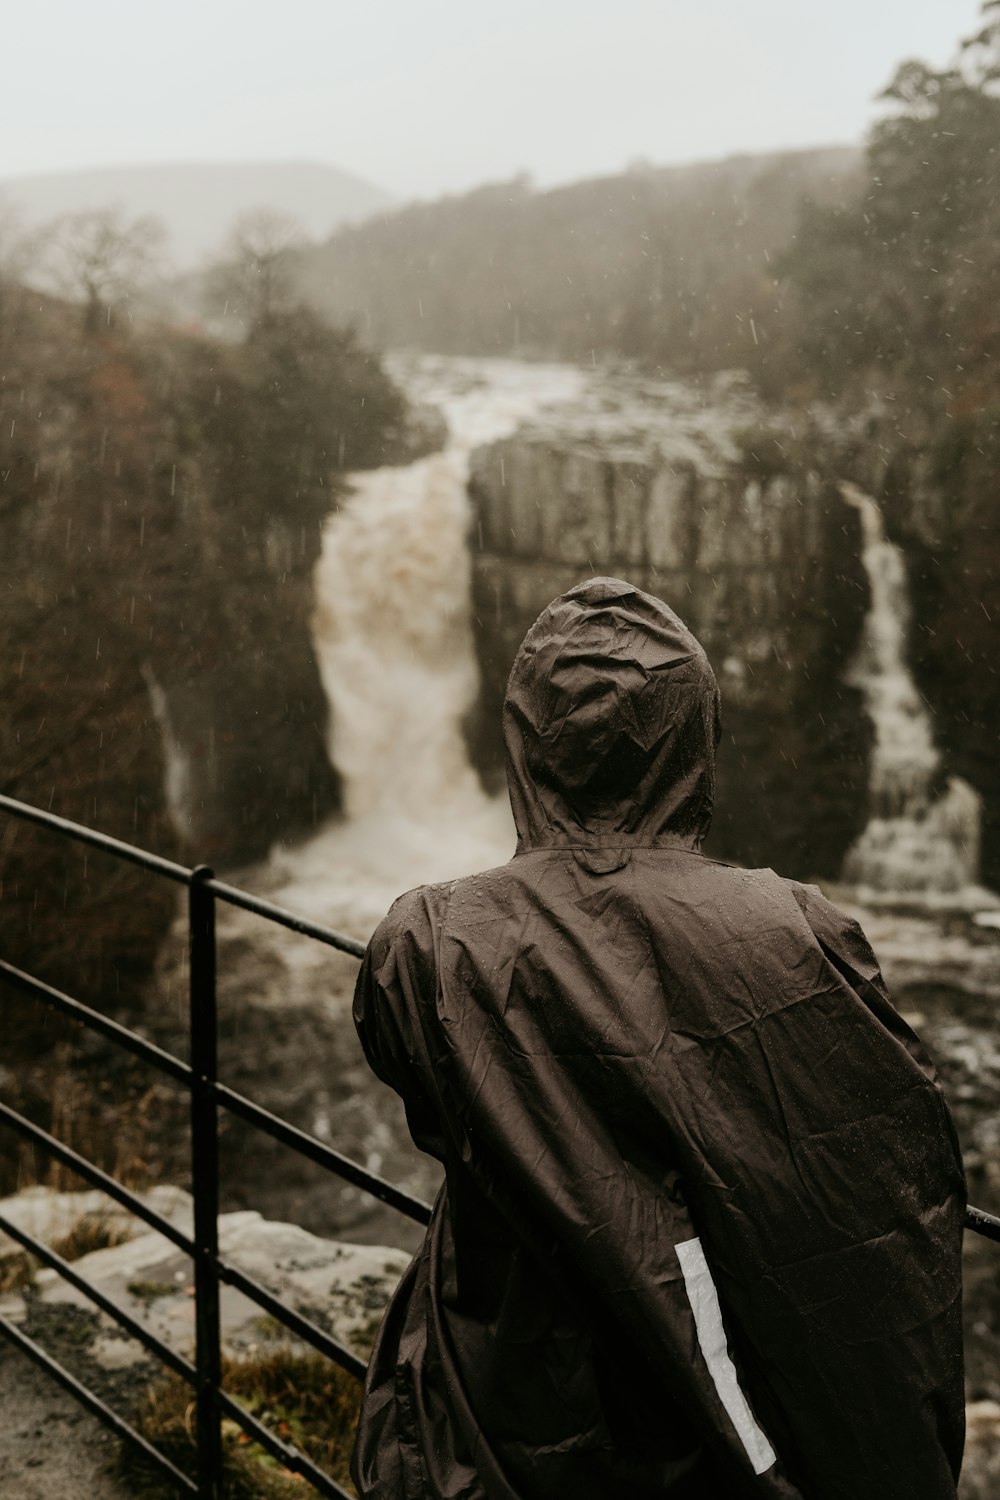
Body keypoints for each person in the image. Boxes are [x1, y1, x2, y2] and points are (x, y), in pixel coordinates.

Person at [351, 576, 966, 1500]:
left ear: (524, 743)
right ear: (694, 739)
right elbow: (884, 1181)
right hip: (708, 1457)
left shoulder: (428, 941)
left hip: (503, 1424)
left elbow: (445, 1091)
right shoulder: (797, 933)